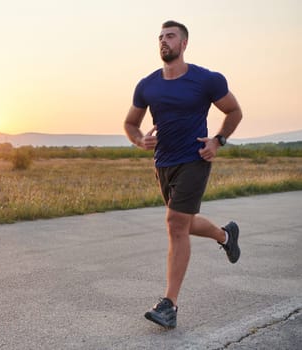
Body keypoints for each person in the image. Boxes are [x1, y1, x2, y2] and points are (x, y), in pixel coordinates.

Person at [123, 20, 243, 329]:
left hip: (195, 158)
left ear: (184, 44)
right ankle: (226, 235)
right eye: (160, 37)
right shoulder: (147, 84)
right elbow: (131, 123)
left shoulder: (207, 80)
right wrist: (139, 140)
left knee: (175, 223)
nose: (164, 41)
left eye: (170, 36)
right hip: (164, 163)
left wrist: (218, 141)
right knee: (185, 224)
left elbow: (234, 111)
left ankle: (169, 305)